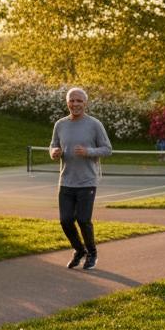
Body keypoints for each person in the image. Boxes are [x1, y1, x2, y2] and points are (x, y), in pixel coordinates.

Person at [49, 87, 113, 270]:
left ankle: (92, 254)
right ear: (67, 102)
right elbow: (53, 145)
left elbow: (107, 149)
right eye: (72, 100)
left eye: (79, 101)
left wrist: (88, 152)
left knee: (83, 219)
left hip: (87, 181)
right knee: (66, 221)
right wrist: (53, 152)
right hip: (66, 181)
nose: (75, 104)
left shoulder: (94, 124)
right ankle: (79, 250)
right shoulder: (60, 124)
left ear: (85, 103)